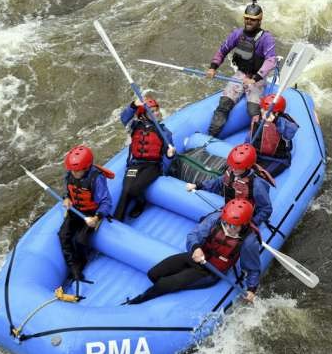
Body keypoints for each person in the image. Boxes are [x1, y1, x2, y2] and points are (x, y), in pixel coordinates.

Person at [125, 199, 262, 304]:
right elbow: (193, 235)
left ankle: (135, 302)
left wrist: (251, 289)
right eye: (226, 223)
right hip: (196, 257)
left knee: (163, 284)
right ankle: (167, 287)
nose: (228, 227)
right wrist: (196, 247)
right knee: (153, 274)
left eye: (234, 226)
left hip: (211, 272)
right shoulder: (216, 219)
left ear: (244, 224)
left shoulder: (249, 242)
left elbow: (253, 269)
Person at [205, 0, 277, 137]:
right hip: (241, 74)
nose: (249, 22)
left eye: (253, 19)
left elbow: (271, 60)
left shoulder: (266, 38)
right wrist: (213, 67)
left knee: (253, 110)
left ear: (259, 20)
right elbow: (223, 50)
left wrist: (255, 78)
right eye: (247, 18)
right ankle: (211, 136)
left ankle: (257, 139)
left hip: (257, 78)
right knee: (224, 105)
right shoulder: (237, 34)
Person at [113, 97, 175, 221]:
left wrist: (169, 155)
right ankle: (116, 220)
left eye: (156, 110)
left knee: (134, 188)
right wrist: (133, 105)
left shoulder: (164, 132)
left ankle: (141, 203)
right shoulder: (134, 126)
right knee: (125, 190)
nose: (156, 113)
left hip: (153, 166)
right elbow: (124, 118)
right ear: (143, 115)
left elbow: (169, 157)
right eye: (151, 111)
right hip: (135, 164)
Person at [186, 143, 274, 227]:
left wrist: (253, 223)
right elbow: (217, 183)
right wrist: (198, 186)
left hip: (245, 218)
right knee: (205, 221)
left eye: (238, 168)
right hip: (230, 210)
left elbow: (266, 209)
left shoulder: (257, 185)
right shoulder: (231, 172)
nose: (234, 169)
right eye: (232, 166)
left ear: (247, 167)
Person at [59, 145, 113, 281]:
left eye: (77, 171)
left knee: (80, 240)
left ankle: (82, 262)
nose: (74, 173)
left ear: (86, 167)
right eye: (72, 170)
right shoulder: (70, 174)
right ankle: (73, 266)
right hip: (75, 210)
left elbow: (106, 201)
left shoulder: (96, 178)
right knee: (63, 235)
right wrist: (66, 198)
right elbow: (67, 190)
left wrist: (97, 217)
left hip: (92, 213)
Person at [246, 93, 299, 176]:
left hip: (276, 160)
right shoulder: (257, 119)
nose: (263, 112)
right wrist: (246, 148)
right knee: (240, 168)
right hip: (258, 154)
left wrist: (276, 120)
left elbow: (290, 133)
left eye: (266, 111)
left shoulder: (283, 123)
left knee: (258, 176)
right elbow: (250, 135)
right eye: (262, 109)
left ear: (277, 113)